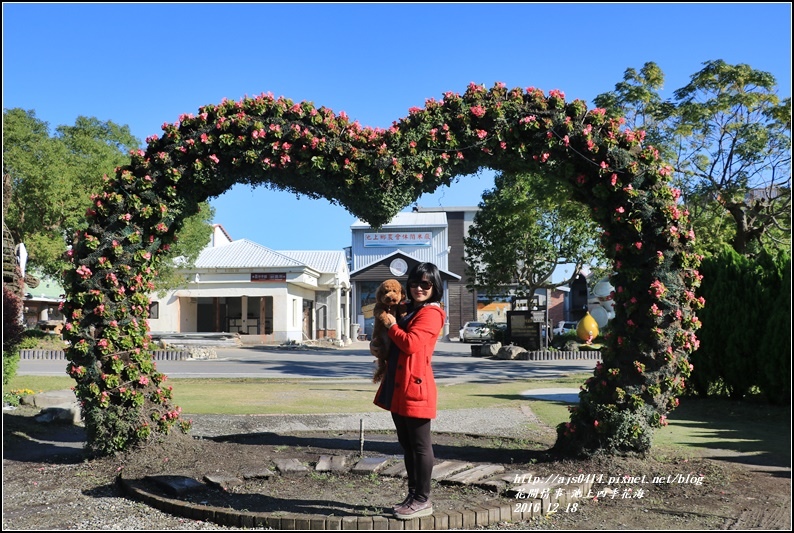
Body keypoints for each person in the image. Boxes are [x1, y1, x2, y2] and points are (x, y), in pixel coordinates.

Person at [371, 262, 445, 521]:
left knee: (420, 446)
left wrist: (391, 325)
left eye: (425, 284)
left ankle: (423, 499)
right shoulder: (413, 310)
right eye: (414, 283)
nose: (418, 288)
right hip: (399, 384)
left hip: (416, 386)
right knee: (407, 444)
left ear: (435, 287)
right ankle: (413, 495)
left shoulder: (432, 314)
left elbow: (411, 344)